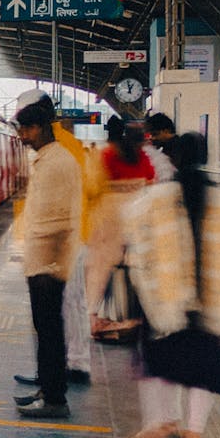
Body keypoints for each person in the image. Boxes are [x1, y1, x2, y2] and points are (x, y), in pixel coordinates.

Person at [112, 133, 220, 438]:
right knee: (203, 368)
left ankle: (158, 426)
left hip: (167, 300)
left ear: (173, 159)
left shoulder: (154, 199)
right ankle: (194, 434)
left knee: (156, 364)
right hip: (213, 301)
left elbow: (135, 247)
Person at [12, 92, 93, 393]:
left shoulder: (62, 155)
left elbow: (60, 216)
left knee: (64, 313)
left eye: (25, 127)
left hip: (63, 249)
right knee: (55, 319)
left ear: (40, 121)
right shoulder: (52, 154)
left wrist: (50, 263)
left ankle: (69, 371)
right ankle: (50, 377)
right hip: (53, 251)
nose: (22, 136)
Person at [87, 118, 156, 340]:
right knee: (136, 269)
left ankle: (97, 318)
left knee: (99, 272)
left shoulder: (106, 155)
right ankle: (134, 318)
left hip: (109, 221)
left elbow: (92, 186)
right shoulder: (142, 157)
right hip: (138, 219)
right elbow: (151, 183)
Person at [144, 112, 177, 182]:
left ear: (166, 131)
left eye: (155, 134)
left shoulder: (175, 149)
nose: (152, 138)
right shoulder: (165, 147)